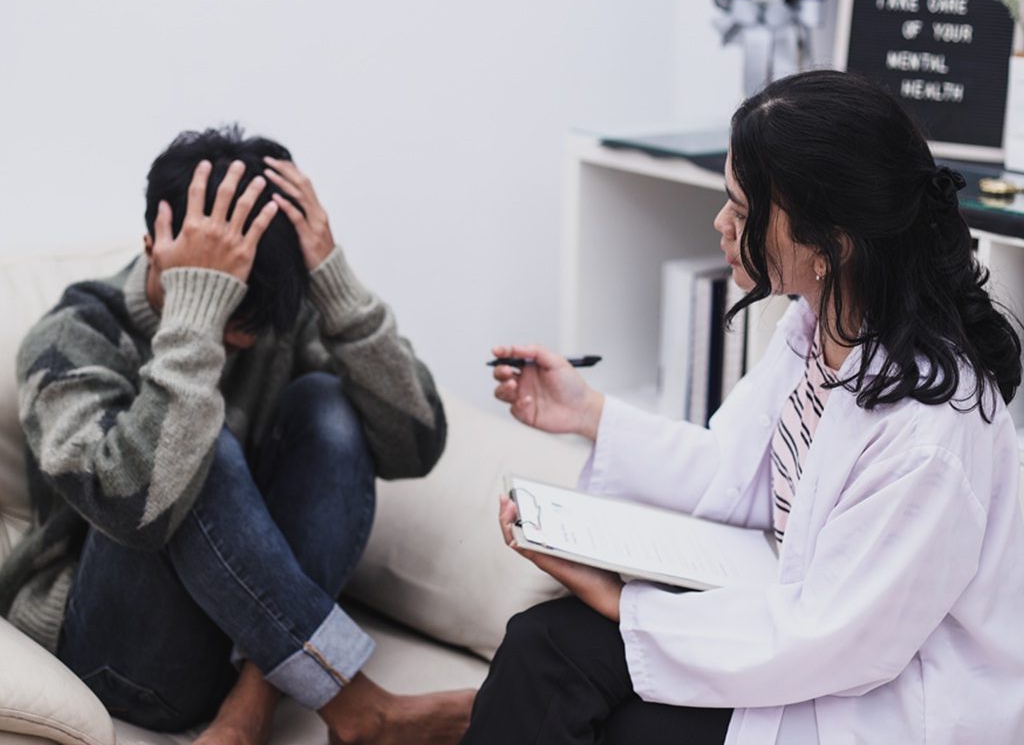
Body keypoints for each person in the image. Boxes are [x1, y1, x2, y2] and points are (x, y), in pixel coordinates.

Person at [467, 70, 1024, 744]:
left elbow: (839, 641)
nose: (722, 224)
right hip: (792, 627)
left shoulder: (930, 432)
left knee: (570, 675)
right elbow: (731, 469)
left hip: (874, 703)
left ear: (832, 243)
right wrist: (585, 411)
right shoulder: (819, 325)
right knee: (546, 643)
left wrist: (621, 602)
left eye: (741, 206)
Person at [2, 127, 473, 745]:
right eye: (229, 323)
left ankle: (249, 710)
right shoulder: (69, 338)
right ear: (153, 248)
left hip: (241, 646)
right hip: (117, 656)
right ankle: (356, 705)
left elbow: (416, 447)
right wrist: (195, 317)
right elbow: (132, 507)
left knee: (329, 403)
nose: (243, 341)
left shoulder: (270, 311)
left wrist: (336, 285)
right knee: (196, 440)